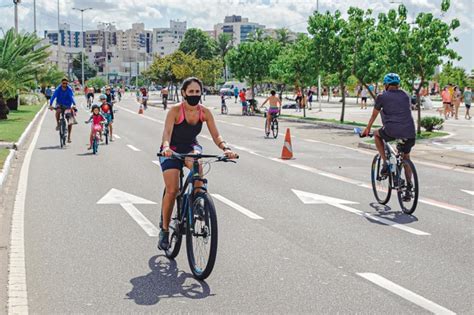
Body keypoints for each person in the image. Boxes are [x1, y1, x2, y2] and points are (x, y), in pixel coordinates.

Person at [157, 77, 238, 250]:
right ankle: (164, 230)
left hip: (190, 147)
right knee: (172, 190)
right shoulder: (175, 110)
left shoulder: (205, 112)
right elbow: (167, 133)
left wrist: (226, 148)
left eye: (197, 91)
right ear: (184, 93)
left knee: (197, 163)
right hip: (171, 149)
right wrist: (165, 147)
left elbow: (216, 135)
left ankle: (198, 201)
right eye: (191, 91)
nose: (194, 94)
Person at [362, 73, 416, 199]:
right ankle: (409, 187)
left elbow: (374, 115)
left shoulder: (381, 96)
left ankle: (385, 163)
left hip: (391, 131)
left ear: (386, 85)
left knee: (377, 135)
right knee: (406, 156)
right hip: (410, 132)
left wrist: (367, 128)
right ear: (398, 84)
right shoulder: (406, 95)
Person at [48, 78, 77, 143]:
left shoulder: (69, 89)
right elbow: (53, 97)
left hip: (67, 105)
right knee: (58, 111)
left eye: (66, 83)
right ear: (61, 83)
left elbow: (72, 97)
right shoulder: (58, 89)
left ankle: (69, 137)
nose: (65, 84)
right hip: (59, 104)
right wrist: (50, 104)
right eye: (63, 83)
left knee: (70, 120)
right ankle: (58, 124)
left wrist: (74, 104)